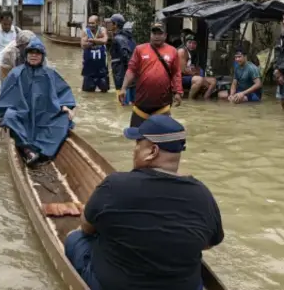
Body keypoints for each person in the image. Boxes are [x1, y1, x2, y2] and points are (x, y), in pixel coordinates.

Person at [64, 115, 224, 290]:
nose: (134, 151)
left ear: (152, 151)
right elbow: (209, 243)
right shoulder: (203, 194)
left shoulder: (115, 185)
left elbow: (87, 227)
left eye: (137, 145)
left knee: (75, 238)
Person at [0, 38, 76, 166]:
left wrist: (65, 106)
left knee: (64, 118)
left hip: (45, 114)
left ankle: (44, 153)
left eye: (37, 53)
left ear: (42, 56)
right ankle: (27, 149)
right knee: (9, 116)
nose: (33, 55)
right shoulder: (16, 73)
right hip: (22, 114)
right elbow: (5, 96)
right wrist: (3, 113)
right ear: (26, 55)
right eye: (31, 52)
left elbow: (62, 92)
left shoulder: (50, 73)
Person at [119, 22, 183, 127]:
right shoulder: (140, 49)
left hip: (163, 104)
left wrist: (178, 92)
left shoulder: (173, 51)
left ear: (165, 35)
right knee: (137, 136)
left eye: (160, 33)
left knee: (162, 138)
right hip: (141, 104)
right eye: (154, 33)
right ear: (150, 35)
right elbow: (131, 70)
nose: (157, 36)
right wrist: (123, 88)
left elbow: (176, 73)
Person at [177, 33, 217, 100]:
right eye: (189, 42)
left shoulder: (191, 52)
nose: (192, 45)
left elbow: (194, 68)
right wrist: (196, 73)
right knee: (199, 80)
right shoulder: (182, 51)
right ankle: (190, 100)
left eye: (194, 43)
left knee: (213, 81)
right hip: (180, 78)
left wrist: (196, 71)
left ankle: (206, 99)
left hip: (189, 76)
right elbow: (183, 71)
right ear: (185, 43)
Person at [109, 13, 136, 106]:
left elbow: (125, 56)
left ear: (115, 25)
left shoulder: (118, 39)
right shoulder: (130, 38)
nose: (108, 25)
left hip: (121, 75)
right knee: (132, 103)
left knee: (123, 104)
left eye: (110, 23)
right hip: (131, 77)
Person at [80, 15, 110, 93]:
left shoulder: (102, 30)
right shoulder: (85, 31)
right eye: (89, 23)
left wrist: (92, 40)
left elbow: (105, 40)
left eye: (93, 23)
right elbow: (83, 45)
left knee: (105, 92)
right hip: (89, 69)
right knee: (88, 93)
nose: (90, 25)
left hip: (102, 69)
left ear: (98, 23)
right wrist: (97, 41)